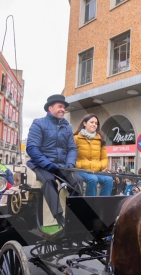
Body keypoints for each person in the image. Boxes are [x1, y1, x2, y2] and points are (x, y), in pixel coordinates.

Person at [26, 94, 84, 226]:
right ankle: (59, 217)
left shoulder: (67, 127)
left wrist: (70, 163)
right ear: (50, 108)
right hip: (40, 165)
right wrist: (48, 164)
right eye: (60, 106)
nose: (63, 109)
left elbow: (72, 148)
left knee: (78, 181)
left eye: (64, 107)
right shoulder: (38, 123)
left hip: (61, 166)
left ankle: (73, 216)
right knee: (49, 180)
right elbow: (32, 148)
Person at [74, 114, 113, 196]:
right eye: (92, 122)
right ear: (84, 123)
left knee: (109, 180)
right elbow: (71, 155)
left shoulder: (100, 139)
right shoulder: (76, 138)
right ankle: (91, 205)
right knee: (93, 179)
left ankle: (103, 206)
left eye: (96, 123)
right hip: (81, 170)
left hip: (95, 170)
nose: (94, 125)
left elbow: (104, 158)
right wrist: (79, 165)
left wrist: (100, 166)